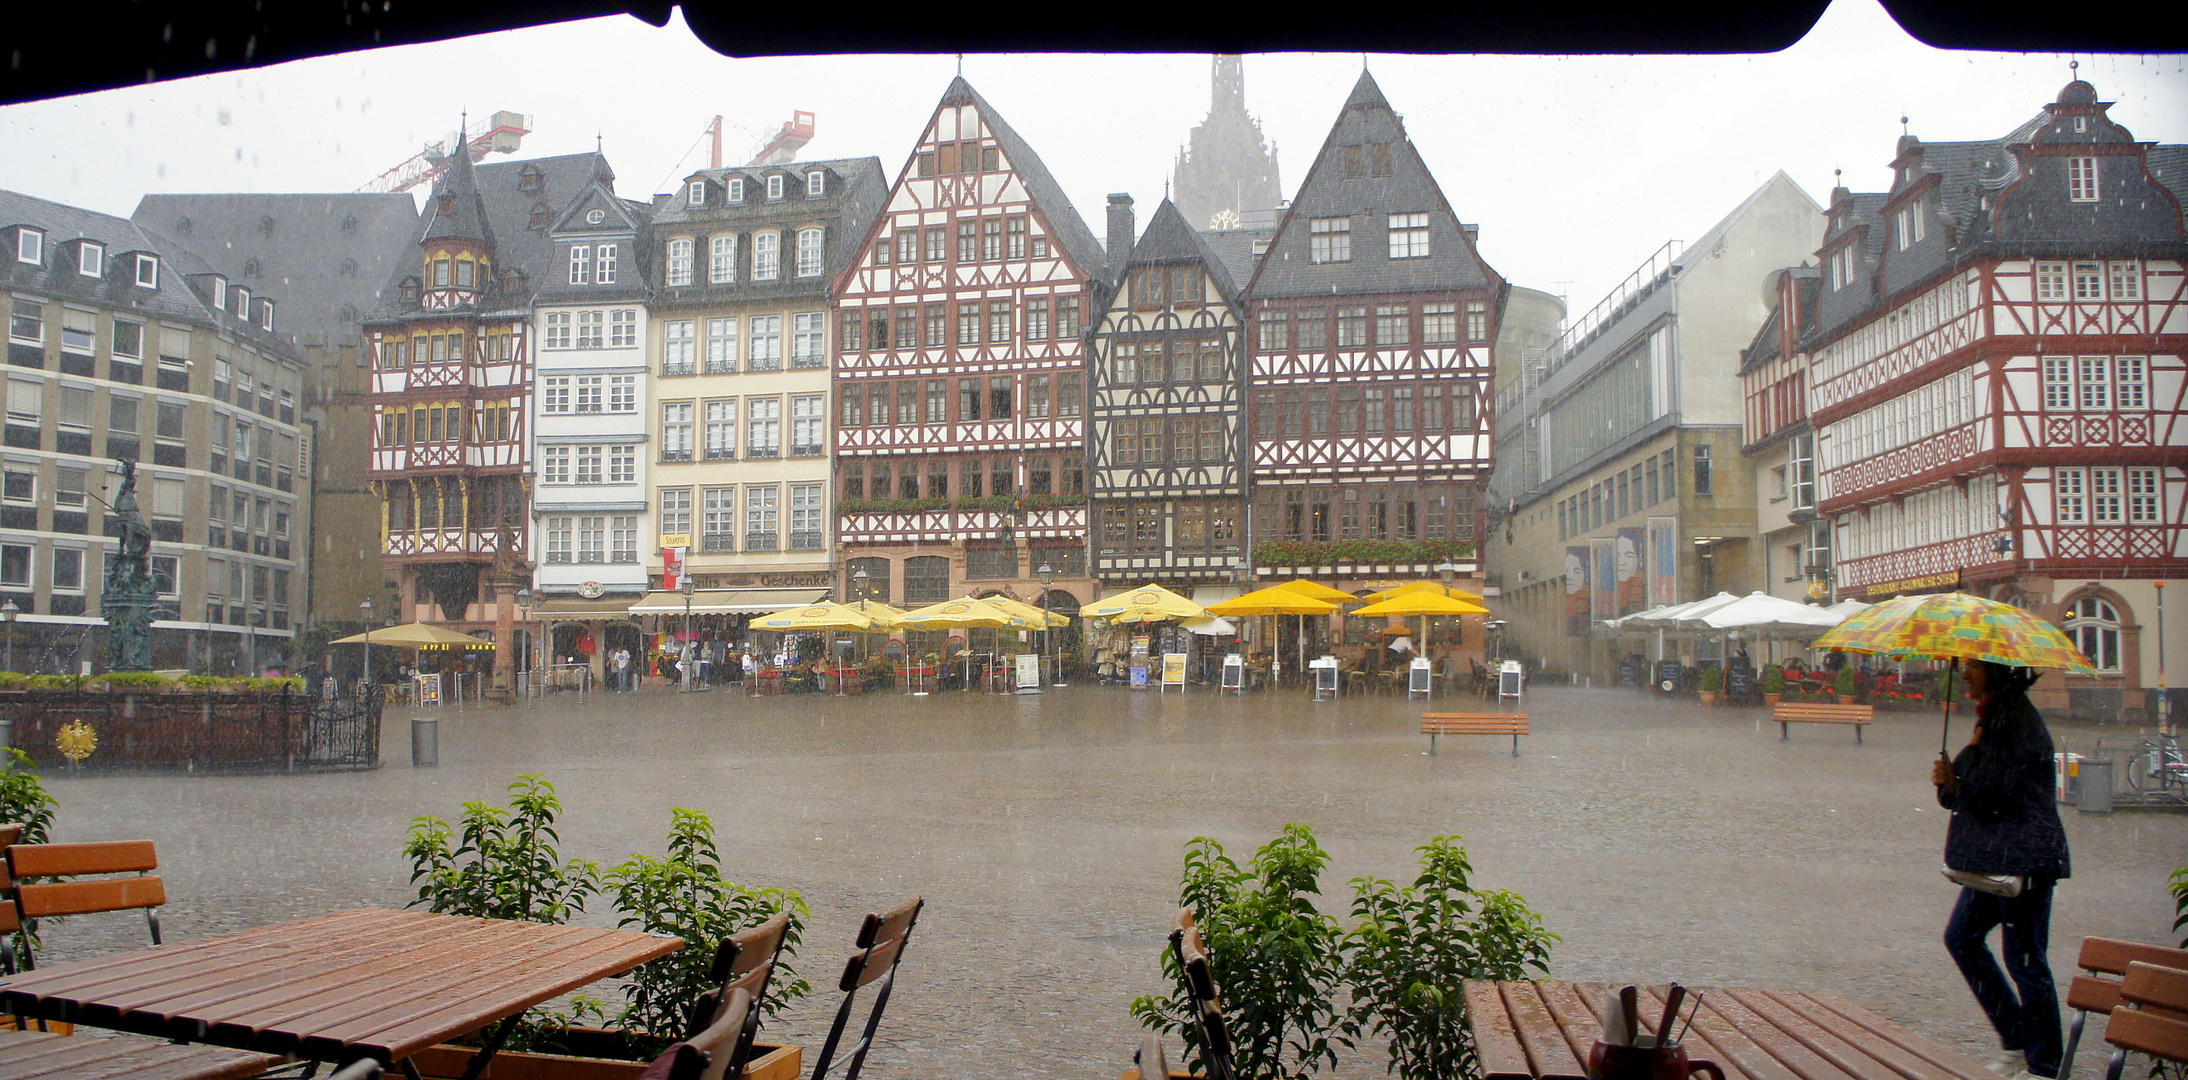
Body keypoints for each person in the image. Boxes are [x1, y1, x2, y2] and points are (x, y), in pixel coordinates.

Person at [1931, 659, 2071, 1080]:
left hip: (2024, 859)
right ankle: (2016, 1038)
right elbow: (1969, 795)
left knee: (2026, 960)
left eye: (1973, 667)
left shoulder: (2013, 720)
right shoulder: (1995, 715)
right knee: (1962, 938)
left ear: (1995, 670)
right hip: (1997, 858)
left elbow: (1994, 792)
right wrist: (1951, 781)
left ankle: (2044, 1066)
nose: (1966, 674)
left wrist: (1965, 763)